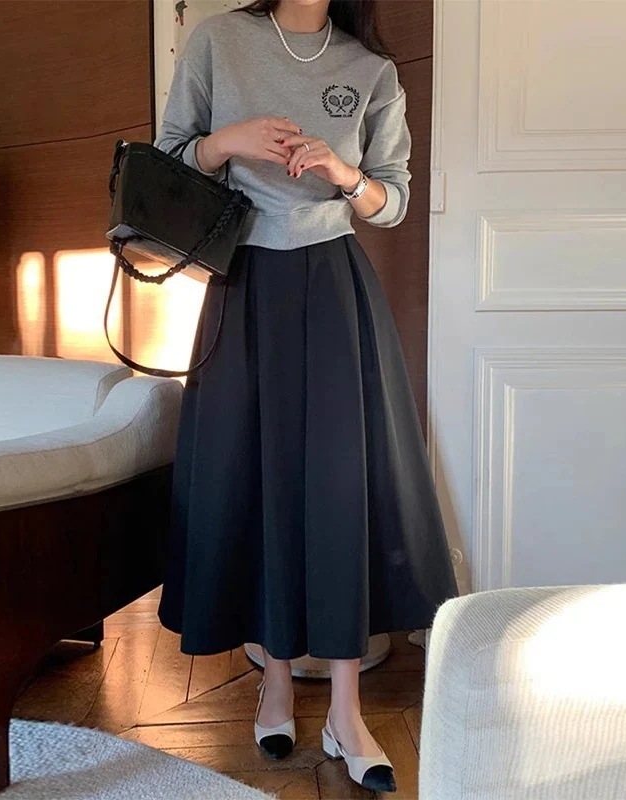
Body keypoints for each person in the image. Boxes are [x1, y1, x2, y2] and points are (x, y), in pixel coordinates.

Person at [154, 0, 458, 792]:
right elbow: (168, 160)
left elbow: (393, 200)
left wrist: (344, 174)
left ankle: (348, 714)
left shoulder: (370, 67)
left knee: (339, 485)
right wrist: (228, 140)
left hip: (333, 284)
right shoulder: (220, 40)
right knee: (255, 474)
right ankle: (277, 684)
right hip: (243, 280)